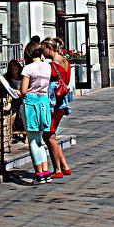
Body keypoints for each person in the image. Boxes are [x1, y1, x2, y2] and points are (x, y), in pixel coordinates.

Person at [19, 43, 53, 183]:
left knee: (33, 141)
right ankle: (46, 172)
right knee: (40, 140)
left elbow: (23, 91)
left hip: (31, 104)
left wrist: (16, 91)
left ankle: (38, 173)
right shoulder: (48, 67)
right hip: (44, 103)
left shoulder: (28, 68)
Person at [43, 38, 73, 178]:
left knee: (49, 136)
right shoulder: (66, 62)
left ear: (50, 47)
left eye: (44, 49)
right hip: (62, 102)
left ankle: (57, 170)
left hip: (54, 103)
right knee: (51, 135)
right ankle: (65, 166)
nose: (43, 53)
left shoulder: (52, 65)